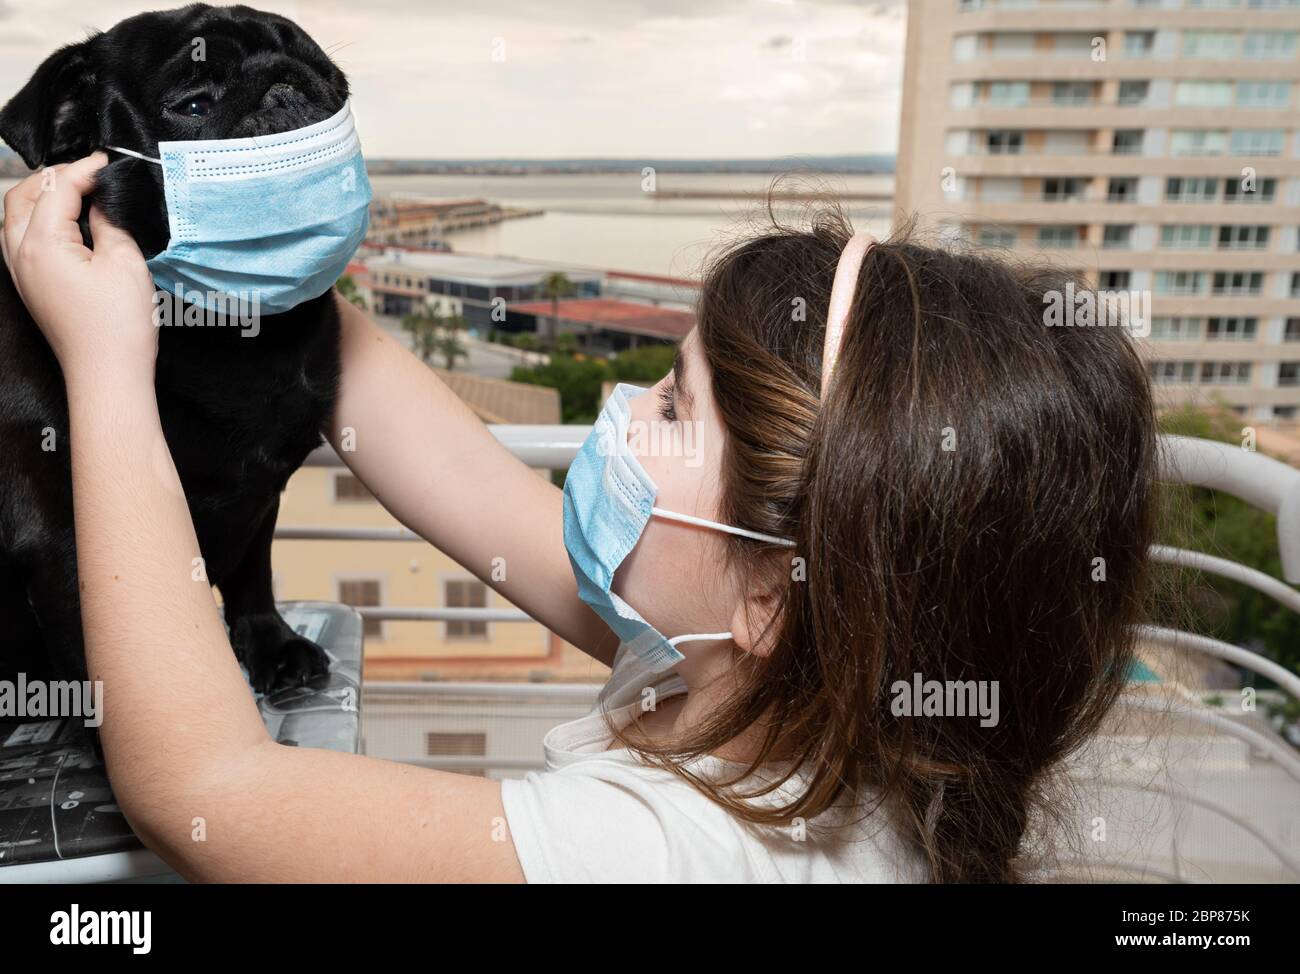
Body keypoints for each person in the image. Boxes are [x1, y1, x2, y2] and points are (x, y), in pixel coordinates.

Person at [1, 154, 1158, 883]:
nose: (616, 408)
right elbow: (445, 461)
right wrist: (278, 249)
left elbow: (208, 788)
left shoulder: (667, 851)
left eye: (670, 402)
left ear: (768, 591)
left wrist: (103, 366)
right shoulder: (796, 685)